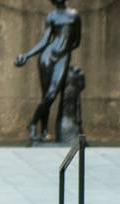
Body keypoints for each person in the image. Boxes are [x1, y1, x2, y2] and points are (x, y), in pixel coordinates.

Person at [14, 0, 81, 143]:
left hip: (63, 57)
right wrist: (27, 55)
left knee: (51, 94)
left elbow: (76, 41)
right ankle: (44, 132)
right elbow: (45, 41)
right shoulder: (51, 16)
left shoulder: (74, 15)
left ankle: (32, 123)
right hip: (46, 57)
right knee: (46, 95)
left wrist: (64, 51)